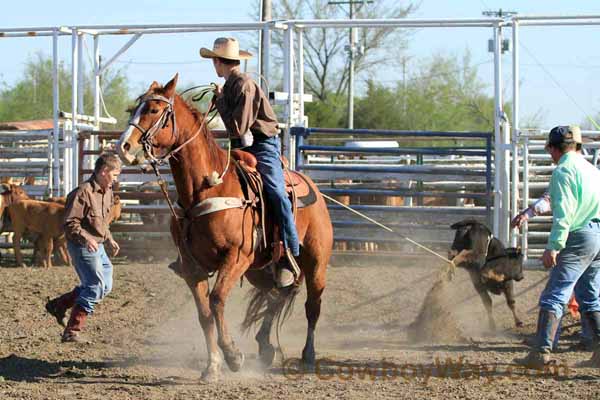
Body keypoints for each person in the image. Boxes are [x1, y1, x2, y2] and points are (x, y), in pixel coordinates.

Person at [198, 37, 300, 289]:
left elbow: (238, 127)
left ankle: (289, 249)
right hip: (244, 144)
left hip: (263, 145)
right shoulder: (233, 84)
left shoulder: (244, 86)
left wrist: (220, 101)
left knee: (276, 192)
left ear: (219, 62)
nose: (213, 64)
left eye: (214, 60)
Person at [515, 126, 600, 369]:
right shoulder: (592, 170)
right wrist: (530, 211)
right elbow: (553, 199)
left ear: (553, 148)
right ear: (578, 146)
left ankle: (540, 353)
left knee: (554, 294)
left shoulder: (563, 171)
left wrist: (554, 246)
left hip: (579, 235)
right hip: (597, 234)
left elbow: (564, 213)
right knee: (590, 296)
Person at [45, 153, 121, 342]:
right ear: (104, 172)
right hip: (81, 245)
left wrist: (109, 238)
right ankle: (72, 330)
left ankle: (59, 305)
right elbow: (70, 223)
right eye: (115, 174)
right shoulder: (82, 192)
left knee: (105, 285)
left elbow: (103, 221)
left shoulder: (107, 191)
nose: (116, 179)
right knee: (95, 286)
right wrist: (87, 238)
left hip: (98, 245)